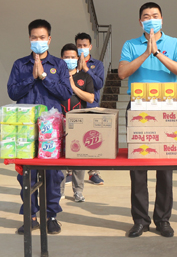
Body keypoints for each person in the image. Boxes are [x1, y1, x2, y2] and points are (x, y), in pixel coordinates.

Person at [118, 2, 177, 238]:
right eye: (146, 17)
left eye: (155, 16)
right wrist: (146, 52)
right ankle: (140, 220)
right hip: (138, 107)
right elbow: (122, 73)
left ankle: (163, 219)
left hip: (166, 106)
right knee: (138, 165)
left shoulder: (175, 43)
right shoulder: (130, 45)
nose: (151, 20)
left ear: (162, 20)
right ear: (140, 22)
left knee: (165, 166)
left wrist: (157, 52)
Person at [7, 19, 73, 235]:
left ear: (49, 39)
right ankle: (31, 216)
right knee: (27, 174)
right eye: (34, 37)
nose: (38, 41)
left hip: (51, 130)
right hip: (25, 128)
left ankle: (51, 216)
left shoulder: (59, 65)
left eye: (42, 37)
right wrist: (31, 77)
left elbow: (66, 93)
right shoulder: (20, 65)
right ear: (29, 38)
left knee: (53, 175)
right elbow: (12, 92)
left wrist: (44, 76)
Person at [59, 43, 95, 203]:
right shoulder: (57, 76)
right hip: (59, 121)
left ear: (78, 58)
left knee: (78, 158)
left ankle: (78, 191)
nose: (69, 60)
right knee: (60, 158)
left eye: (73, 57)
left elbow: (90, 98)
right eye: (66, 57)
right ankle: (59, 191)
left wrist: (73, 87)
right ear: (61, 58)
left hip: (79, 122)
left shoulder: (85, 77)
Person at [75, 32, 106, 186]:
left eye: (85, 45)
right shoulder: (71, 62)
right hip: (74, 107)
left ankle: (94, 173)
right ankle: (71, 172)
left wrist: (86, 69)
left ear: (90, 46)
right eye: (79, 46)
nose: (82, 48)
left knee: (93, 140)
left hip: (92, 107)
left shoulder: (97, 65)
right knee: (74, 139)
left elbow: (99, 84)